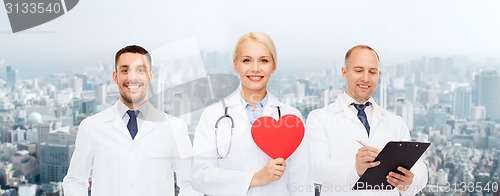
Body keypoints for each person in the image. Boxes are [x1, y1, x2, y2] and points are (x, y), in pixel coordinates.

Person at [62, 45, 201, 196]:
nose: (132, 77)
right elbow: (75, 181)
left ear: (151, 76)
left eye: (140, 70)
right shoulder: (91, 127)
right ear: (115, 77)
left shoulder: (175, 128)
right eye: (125, 70)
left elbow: (191, 184)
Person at [190, 32, 313, 196]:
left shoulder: (291, 117)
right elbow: (200, 176)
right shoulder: (213, 116)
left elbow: (302, 184)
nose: (255, 68)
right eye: (247, 60)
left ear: (273, 66)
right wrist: (255, 178)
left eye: (264, 60)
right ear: (236, 65)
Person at [306, 45, 428, 195]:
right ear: (344, 72)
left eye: (372, 72)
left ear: (379, 75)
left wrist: (411, 182)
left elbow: (419, 167)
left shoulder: (395, 122)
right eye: (358, 70)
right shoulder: (320, 118)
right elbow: (314, 168)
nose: (365, 78)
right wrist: (355, 169)